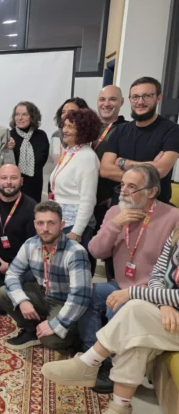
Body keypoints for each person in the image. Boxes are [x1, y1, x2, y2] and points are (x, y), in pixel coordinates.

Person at [41, 227, 179, 414]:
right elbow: (157, 274)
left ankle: (89, 362)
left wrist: (133, 292)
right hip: (170, 312)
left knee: (134, 309)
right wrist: (164, 304)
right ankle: (119, 407)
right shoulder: (176, 233)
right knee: (135, 339)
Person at [78, 164, 179, 393]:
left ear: (152, 192)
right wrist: (115, 225)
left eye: (132, 187)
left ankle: (115, 367)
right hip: (119, 284)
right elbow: (95, 250)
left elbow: (169, 271)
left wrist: (161, 300)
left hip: (151, 293)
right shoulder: (115, 211)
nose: (123, 191)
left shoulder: (173, 217)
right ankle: (95, 358)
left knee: (120, 307)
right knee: (88, 294)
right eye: (122, 185)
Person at [0, 201, 92, 351]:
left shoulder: (75, 252)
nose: (45, 229)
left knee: (51, 340)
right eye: (40, 223)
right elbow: (12, 273)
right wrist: (22, 300)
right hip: (43, 294)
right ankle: (31, 329)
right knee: (3, 293)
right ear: (35, 224)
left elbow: (80, 296)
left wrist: (56, 324)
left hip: (63, 301)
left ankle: (73, 334)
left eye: (51, 223)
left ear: (62, 225)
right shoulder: (30, 244)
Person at [100, 76, 179, 204]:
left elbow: (160, 170)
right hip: (120, 204)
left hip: (154, 207)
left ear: (159, 98)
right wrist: (149, 170)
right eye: (135, 97)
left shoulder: (173, 131)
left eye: (147, 96)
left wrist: (123, 162)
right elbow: (105, 170)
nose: (140, 102)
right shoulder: (119, 130)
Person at [0, 164, 37, 315]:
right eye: (4, 178)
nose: (8, 182)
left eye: (13, 178)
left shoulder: (32, 207)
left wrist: (11, 267)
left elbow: (35, 248)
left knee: (5, 304)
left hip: (21, 267)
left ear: (21, 181)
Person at [49, 109, 100, 269]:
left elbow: (88, 199)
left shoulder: (86, 157)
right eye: (64, 125)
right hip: (63, 221)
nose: (64, 130)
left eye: (70, 127)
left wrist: (77, 231)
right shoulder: (70, 151)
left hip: (75, 225)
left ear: (83, 130)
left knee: (73, 272)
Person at [93, 86, 127, 281]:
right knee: (89, 248)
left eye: (112, 99)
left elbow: (126, 169)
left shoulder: (126, 129)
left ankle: (113, 289)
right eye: (102, 99)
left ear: (121, 102)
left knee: (112, 250)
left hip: (110, 201)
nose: (106, 104)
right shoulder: (89, 127)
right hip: (88, 198)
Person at [9, 101, 49, 203]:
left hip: (34, 186)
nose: (20, 118)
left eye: (24, 114)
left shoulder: (41, 135)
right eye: (17, 114)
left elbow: (41, 160)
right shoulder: (9, 136)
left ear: (32, 117)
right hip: (13, 185)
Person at [49, 98, 89, 166]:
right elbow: (57, 165)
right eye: (63, 112)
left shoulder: (90, 138)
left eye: (71, 112)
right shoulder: (56, 136)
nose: (65, 115)